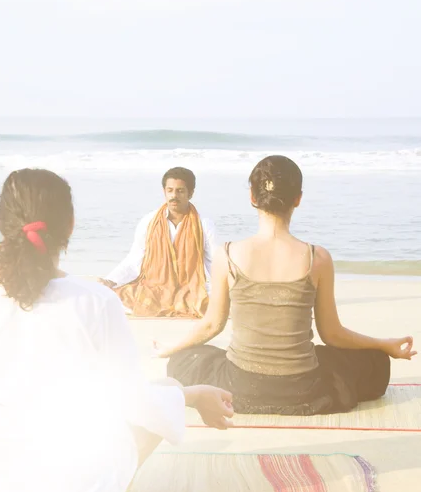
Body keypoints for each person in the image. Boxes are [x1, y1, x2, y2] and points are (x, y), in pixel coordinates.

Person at [0, 168, 233, 492]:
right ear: (70, 225)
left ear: (3, 223)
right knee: (165, 387)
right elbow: (134, 401)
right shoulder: (94, 301)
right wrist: (193, 394)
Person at [155, 155, 417, 415]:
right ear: (298, 199)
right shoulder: (318, 258)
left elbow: (212, 325)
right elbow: (333, 334)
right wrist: (384, 345)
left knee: (182, 361)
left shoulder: (227, 255)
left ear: (252, 198)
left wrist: (172, 347)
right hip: (303, 388)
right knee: (375, 361)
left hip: (241, 386)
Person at [103, 167, 215, 318]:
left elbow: (214, 262)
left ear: (191, 193)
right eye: (170, 190)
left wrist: (229, 288)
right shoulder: (149, 221)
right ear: (164, 191)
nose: (174, 196)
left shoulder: (203, 224)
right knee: (110, 296)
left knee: (212, 300)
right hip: (155, 287)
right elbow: (134, 259)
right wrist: (110, 280)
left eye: (180, 191)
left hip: (190, 287)